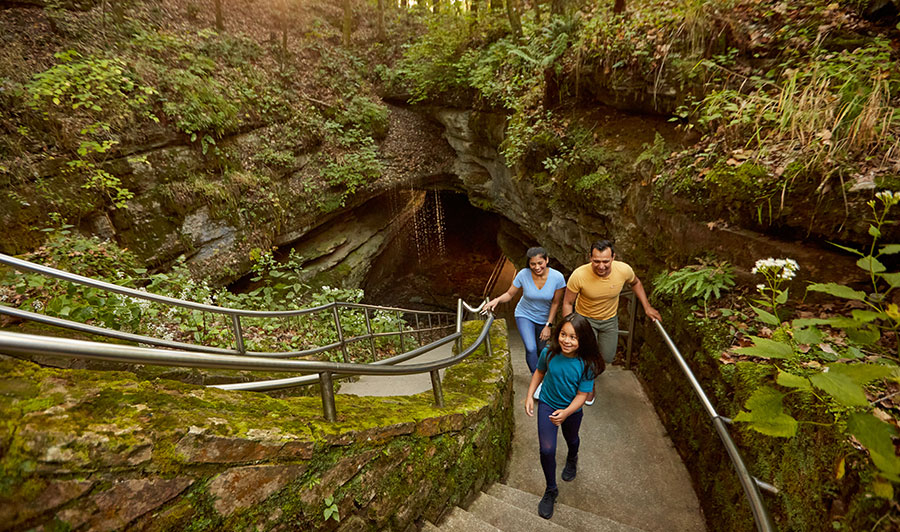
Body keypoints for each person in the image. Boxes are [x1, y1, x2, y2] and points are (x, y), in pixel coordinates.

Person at [525, 313, 604, 520]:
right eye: (563, 334)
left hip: (571, 410)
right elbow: (539, 373)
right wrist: (529, 395)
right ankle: (551, 489)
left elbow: (582, 395)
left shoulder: (586, 364)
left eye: (573, 337)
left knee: (572, 439)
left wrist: (566, 412)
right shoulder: (549, 353)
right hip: (547, 404)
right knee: (547, 449)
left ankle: (572, 457)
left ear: (582, 340)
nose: (566, 340)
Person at [562, 240, 661, 402]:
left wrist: (647, 307)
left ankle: (589, 373)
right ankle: (589, 384)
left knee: (607, 357)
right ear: (590, 258)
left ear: (613, 258)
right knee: (587, 355)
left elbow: (636, 283)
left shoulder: (624, 270)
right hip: (585, 320)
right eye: (597, 261)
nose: (601, 266)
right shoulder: (579, 275)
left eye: (606, 261)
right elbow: (567, 302)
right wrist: (568, 327)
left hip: (609, 320)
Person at [483, 247, 566, 374]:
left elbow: (555, 303)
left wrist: (548, 325)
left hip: (544, 318)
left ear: (547, 260)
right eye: (533, 264)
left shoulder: (557, 277)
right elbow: (510, 294)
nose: (537, 267)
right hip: (524, 314)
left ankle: (543, 373)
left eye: (540, 263)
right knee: (531, 348)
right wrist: (497, 300)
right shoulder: (523, 274)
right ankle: (536, 378)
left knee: (541, 350)